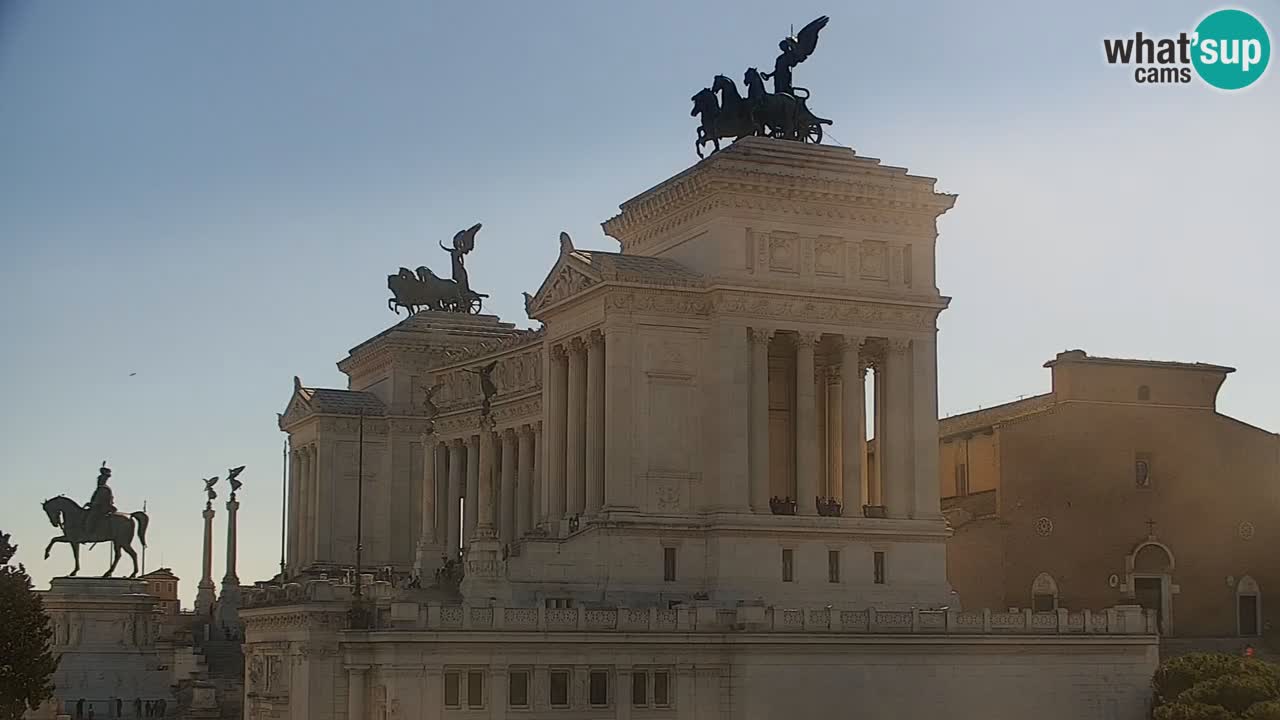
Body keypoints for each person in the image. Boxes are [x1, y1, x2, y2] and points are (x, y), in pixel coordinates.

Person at [84, 464, 116, 537]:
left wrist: (92, 504)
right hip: (99, 507)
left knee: (91, 518)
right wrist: (90, 503)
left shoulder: (104, 489)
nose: (98, 480)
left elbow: (99, 501)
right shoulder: (101, 488)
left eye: (100, 479)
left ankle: (90, 532)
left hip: (102, 509)